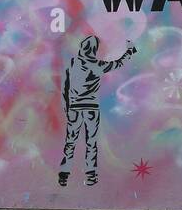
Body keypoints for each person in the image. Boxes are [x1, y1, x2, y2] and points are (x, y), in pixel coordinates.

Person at [58, 35, 136, 187]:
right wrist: (129, 52)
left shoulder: (72, 63)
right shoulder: (97, 65)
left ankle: (64, 174)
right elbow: (118, 63)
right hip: (91, 109)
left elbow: (65, 87)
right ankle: (91, 176)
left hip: (74, 108)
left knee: (70, 142)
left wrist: (66, 107)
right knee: (91, 143)